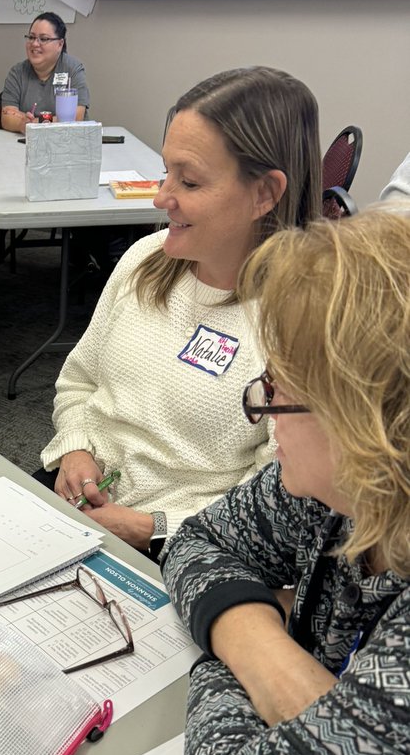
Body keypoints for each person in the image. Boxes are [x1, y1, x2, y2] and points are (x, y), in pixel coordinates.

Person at [162, 208, 410, 755]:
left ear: (362, 421)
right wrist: (274, 659)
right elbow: (200, 540)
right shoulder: (338, 491)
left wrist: (226, 647)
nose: (260, 406)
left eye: (277, 390)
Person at [39, 66, 321, 557]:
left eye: (188, 181)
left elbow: (284, 498)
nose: (160, 197)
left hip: (195, 545)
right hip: (79, 500)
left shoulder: (298, 322)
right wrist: (76, 448)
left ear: (264, 194)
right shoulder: (145, 259)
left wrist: (154, 526)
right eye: (166, 170)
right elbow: (79, 382)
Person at [0, 12, 90, 132]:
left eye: (43, 39)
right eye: (31, 37)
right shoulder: (17, 72)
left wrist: (34, 124)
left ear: (60, 44)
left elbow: (76, 117)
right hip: (26, 144)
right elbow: (7, 118)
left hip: (66, 142)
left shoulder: (73, 70)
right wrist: (22, 124)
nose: (35, 44)